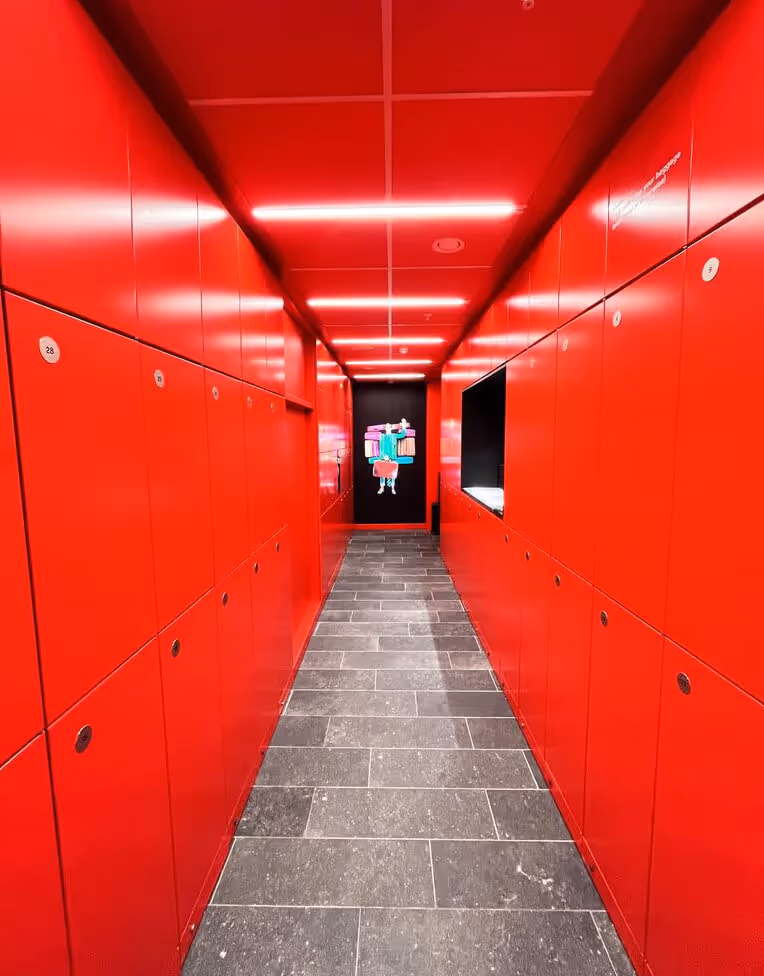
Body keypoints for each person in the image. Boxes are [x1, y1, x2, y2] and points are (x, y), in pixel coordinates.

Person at [377, 418, 407, 495]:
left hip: (392, 457)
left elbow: (402, 435)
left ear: (390, 428)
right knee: (382, 473)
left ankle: (392, 488)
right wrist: (383, 456)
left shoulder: (394, 435)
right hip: (383, 457)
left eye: (388, 427)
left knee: (392, 473)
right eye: (386, 427)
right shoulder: (382, 436)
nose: (387, 428)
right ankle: (382, 487)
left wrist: (403, 426)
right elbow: (380, 446)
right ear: (385, 428)